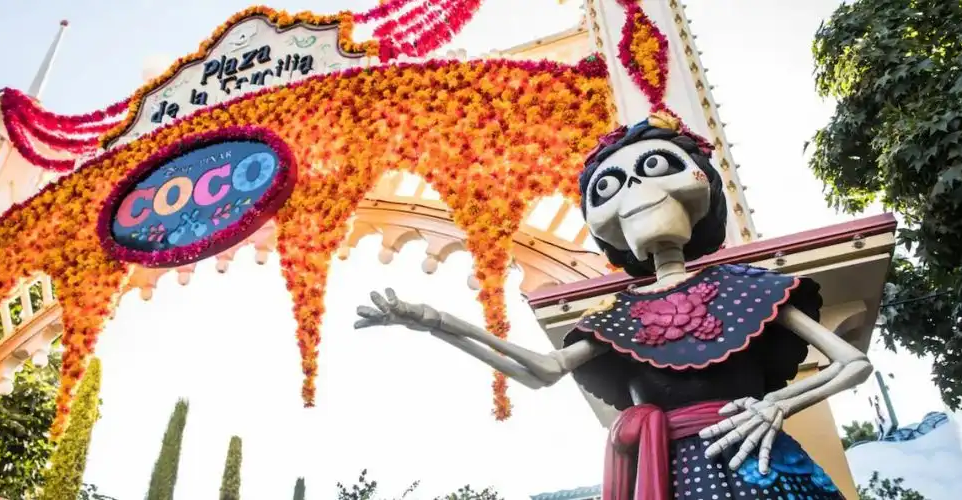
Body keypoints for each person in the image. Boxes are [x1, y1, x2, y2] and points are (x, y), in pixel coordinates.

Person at [355, 111, 870, 500]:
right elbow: (541, 371)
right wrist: (436, 322)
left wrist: (777, 405)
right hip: (671, 477)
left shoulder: (745, 287)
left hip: (760, 464)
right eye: (610, 185)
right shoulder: (616, 317)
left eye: (654, 168)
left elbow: (853, 363)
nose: (636, 190)